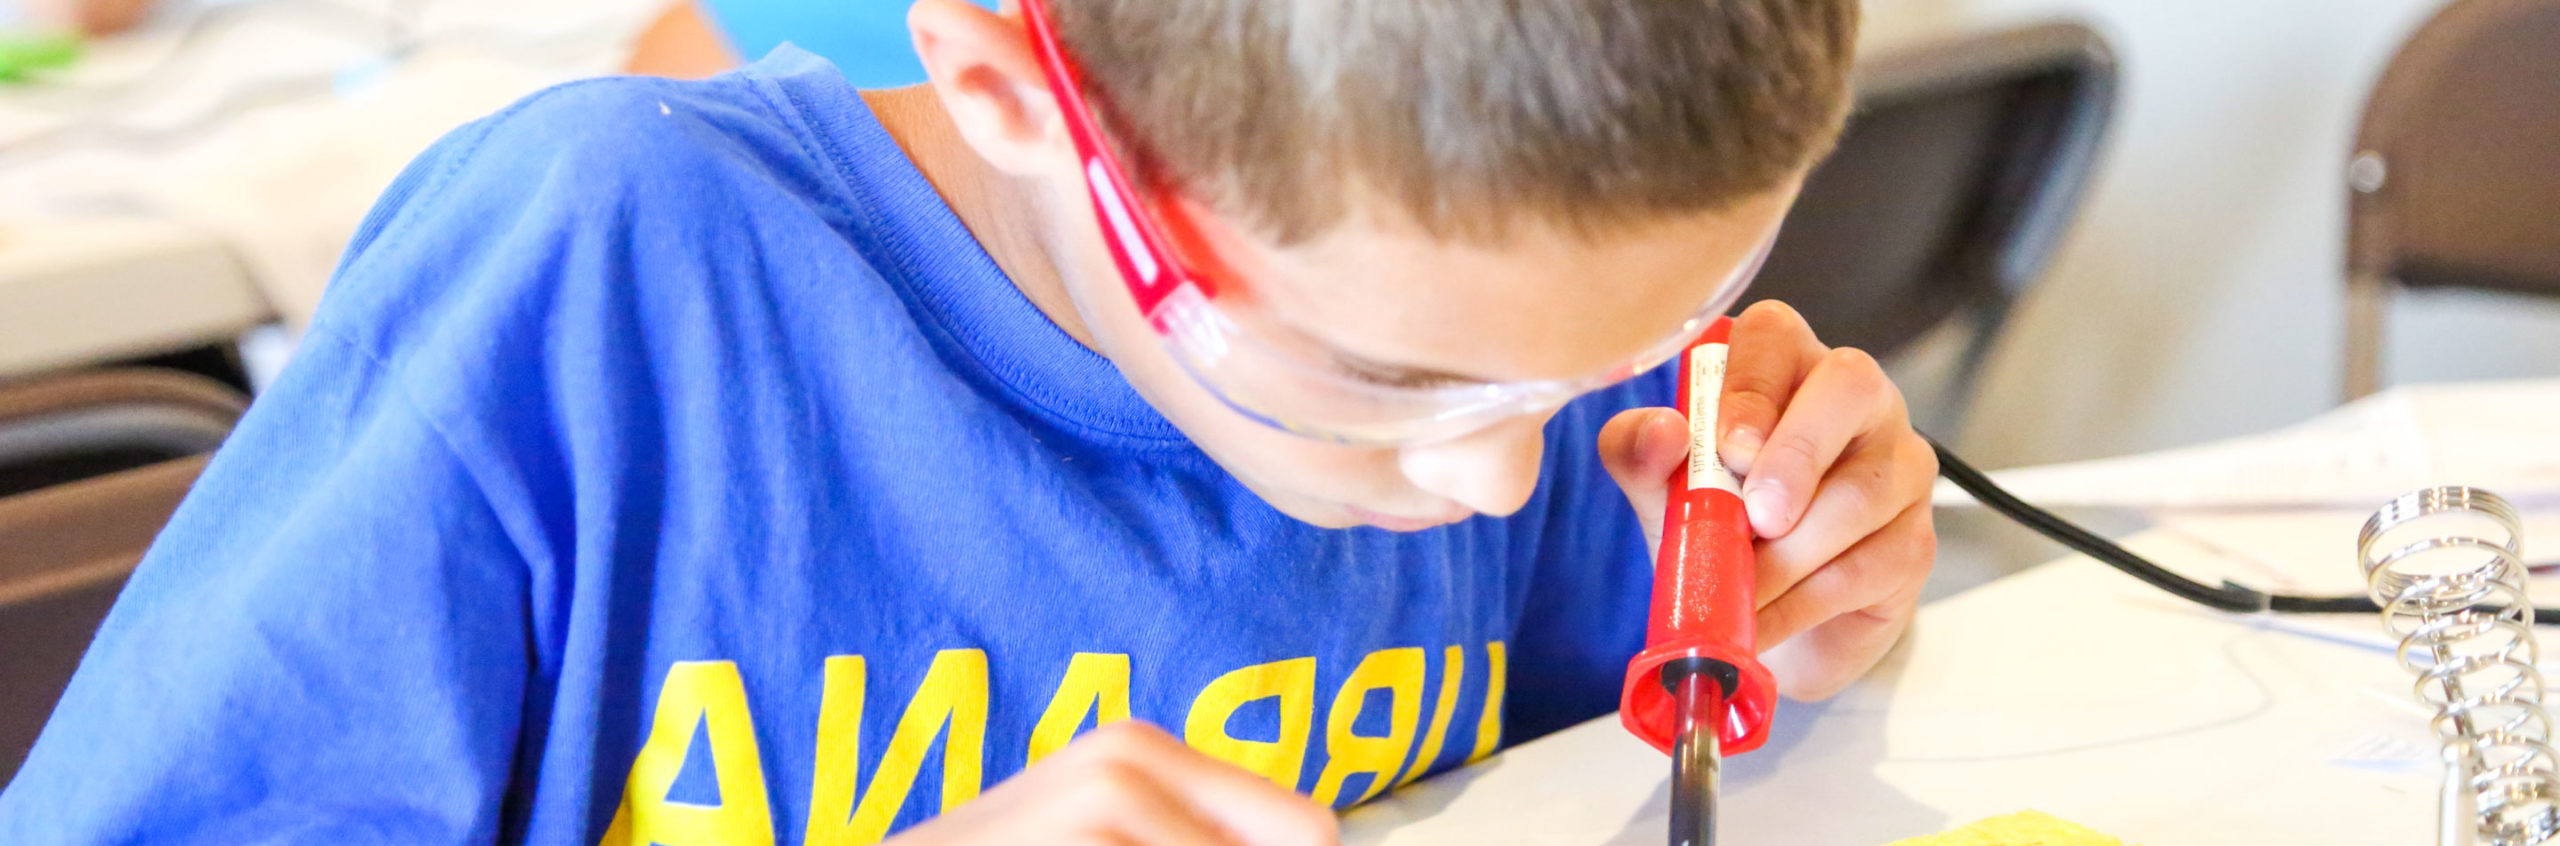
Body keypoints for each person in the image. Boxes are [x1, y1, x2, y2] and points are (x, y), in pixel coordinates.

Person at [0, 1, 1937, 843]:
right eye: (1388, 381)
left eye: (1642, 325)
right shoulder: (608, 276)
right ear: (1013, 98)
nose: (1498, 474)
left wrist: (1794, 597)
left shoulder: (1461, 284)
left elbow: (1612, 750)